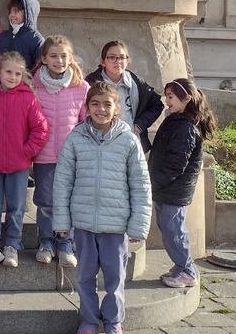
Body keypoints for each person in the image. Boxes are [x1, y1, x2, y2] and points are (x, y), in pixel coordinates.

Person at [53, 81, 151, 334]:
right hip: (84, 223)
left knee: (114, 278)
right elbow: (63, 182)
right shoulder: (75, 138)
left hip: (115, 225)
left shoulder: (128, 141)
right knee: (85, 277)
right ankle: (88, 320)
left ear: (116, 107)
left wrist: (138, 224)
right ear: (87, 107)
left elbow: (141, 185)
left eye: (107, 104)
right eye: (95, 104)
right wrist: (62, 222)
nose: (101, 109)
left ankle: (113, 320)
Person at [0, 52, 48, 271]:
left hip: (19, 165)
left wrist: (26, 152)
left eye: (17, 73)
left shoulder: (27, 98)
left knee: (16, 207)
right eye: (8, 72)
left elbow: (41, 129)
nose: (13, 77)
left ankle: (12, 245)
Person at [151, 78, 217, 289]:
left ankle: (188, 270)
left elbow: (175, 164)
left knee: (174, 230)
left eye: (170, 97)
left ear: (186, 99)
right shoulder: (176, 120)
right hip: (166, 188)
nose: (166, 100)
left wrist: (153, 183)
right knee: (169, 228)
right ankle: (181, 266)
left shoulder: (186, 127)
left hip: (173, 190)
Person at [32, 34, 89, 267]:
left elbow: (86, 122)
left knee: (67, 201)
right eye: (54, 56)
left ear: (70, 58)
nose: (59, 60)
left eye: (64, 56)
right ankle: (46, 241)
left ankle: (65, 243)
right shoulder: (34, 86)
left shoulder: (81, 87)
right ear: (44, 59)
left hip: (70, 157)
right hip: (44, 156)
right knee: (46, 201)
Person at [86, 40, 164, 152]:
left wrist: (139, 125)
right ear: (103, 61)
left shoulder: (136, 82)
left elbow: (157, 105)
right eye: (112, 57)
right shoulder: (91, 83)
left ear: (127, 60)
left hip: (129, 142)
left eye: (122, 57)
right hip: (100, 143)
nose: (118, 61)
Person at [0, 0, 44, 75]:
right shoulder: (2, 37)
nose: (12, 15)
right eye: (10, 12)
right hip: (0, 85)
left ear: (28, 13)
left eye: (16, 11)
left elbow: (38, 66)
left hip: (24, 85)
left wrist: (26, 81)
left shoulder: (37, 39)